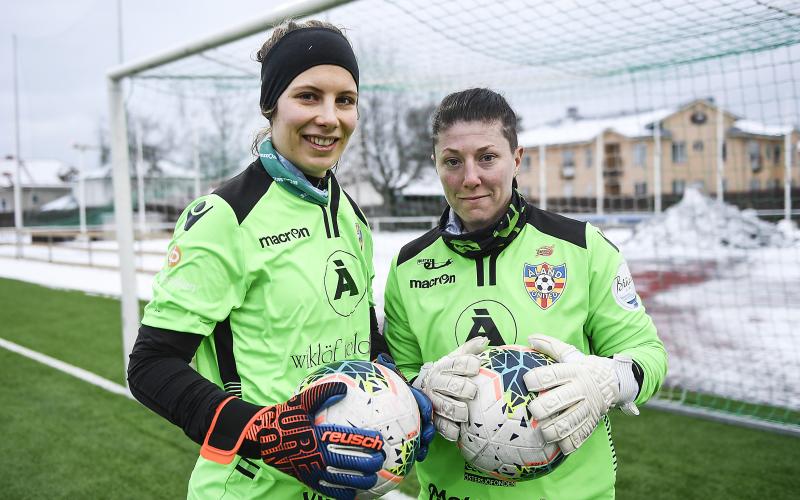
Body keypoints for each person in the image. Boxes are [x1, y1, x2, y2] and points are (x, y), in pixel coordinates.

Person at [127, 19, 432, 500]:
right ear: (272, 106)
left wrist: (400, 390)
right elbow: (150, 367)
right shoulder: (226, 217)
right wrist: (264, 432)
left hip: (341, 486)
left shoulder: (351, 216)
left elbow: (355, 336)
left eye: (345, 100)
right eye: (308, 96)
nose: (330, 117)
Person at [383, 88, 668, 499]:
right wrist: (420, 389)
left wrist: (607, 380)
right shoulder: (408, 267)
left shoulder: (582, 247)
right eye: (452, 161)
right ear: (436, 165)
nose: (470, 177)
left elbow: (649, 355)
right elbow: (400, 381)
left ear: (516, 160)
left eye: (487, 157)